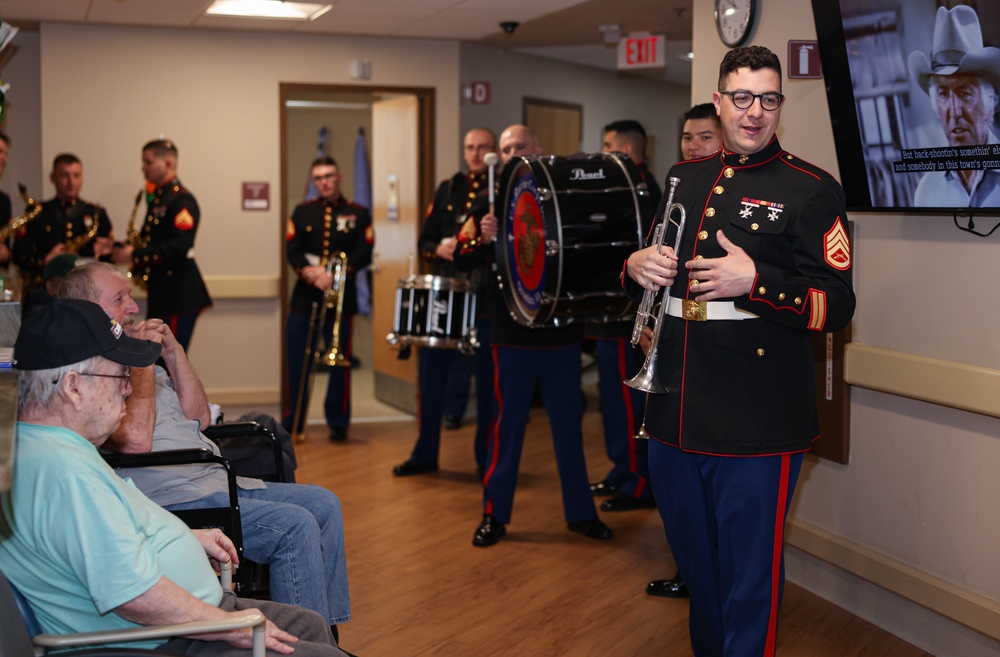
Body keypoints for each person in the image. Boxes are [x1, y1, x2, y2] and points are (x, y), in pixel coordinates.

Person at [624, 46, 855, 655]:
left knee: (749, 583)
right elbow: (659, 262)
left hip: (758, 418)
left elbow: (837, 305)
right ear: (720, 102)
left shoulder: (811, 189)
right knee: (701, 574)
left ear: (781, 104)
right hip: (674, 408)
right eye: (743, 98)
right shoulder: (684, 176)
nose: (755, 113)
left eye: (770, 99)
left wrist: (756, 285)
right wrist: (635, 264)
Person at [3, 298, 350, 656]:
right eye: (120, 375)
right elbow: (135, 596)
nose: (127, 387)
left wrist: (184, 536)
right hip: (163, 640)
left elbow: (93, 541)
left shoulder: (42, 446)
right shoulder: (64, 471)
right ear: (73, 388)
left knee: (310, 624)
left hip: (180, 624)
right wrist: (230, 628)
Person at [472, 124, 612, 547]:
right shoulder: (488, 200)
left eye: (520, 146)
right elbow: (465, 258)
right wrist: (484, 239)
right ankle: (493, 515)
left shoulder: (564, 196)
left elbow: (589, 249)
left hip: (560, 329)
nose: (513, 152)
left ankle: (581, 514)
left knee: (569, 426)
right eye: (506, 147)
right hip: (511, 329)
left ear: (537, 148)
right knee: (506, 427)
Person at [644, 103, 724, 601]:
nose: (693, 146)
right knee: (677, 488)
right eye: (687, 137)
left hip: (719, 359)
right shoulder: (678, 184)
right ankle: (691, 570)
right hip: (674, 346)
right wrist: (651, 319)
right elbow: (658, 255)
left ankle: (709, 579)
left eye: (704, 137)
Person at [393, 127, 497, 477]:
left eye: (483, 147)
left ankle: (487, 460)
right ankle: (425, 454)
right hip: (443, 301)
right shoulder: (448, 188)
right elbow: (425, 240)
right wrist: (438, 248)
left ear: (494, 151)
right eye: (470, 146)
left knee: (486, 388)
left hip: (482, 302)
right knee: (431, 382)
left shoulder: (501, 187)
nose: (476, 152)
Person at [587, 119, 661, 513]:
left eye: (610, 146)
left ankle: (637, 482)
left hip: (625, 314)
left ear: (629, 151)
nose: (604, 153)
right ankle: (622, 468)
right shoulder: (623, 186)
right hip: (607, 313)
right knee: (611, 403)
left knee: (625, 405)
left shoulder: (642, 192)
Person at [283, 155, 373, 442]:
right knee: (297, 362)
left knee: (339, 364)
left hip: (340, 300)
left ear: (340, 177)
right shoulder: (301, 211)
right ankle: (293, 421)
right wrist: (310, 274)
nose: (324, 182)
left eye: (329, 176)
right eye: (318, 177)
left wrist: (334, 273)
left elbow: (363, 251)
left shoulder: (358, 212)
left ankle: (338, 422)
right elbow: (292, 249)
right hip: (305, 297)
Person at [111, 139, 212, 351]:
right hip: (164, 293)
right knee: (158, 361)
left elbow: (178, 246)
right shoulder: (159, 198)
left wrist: (134, 256)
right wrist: (117, 247)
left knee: (170, 361)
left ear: (168, 163)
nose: (143, 167)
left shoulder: (181, 201)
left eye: (148, 162)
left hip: (178, 294)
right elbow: (152, 241)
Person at [908, 4, 1000, 207]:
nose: (954, 111)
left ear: (990, 104)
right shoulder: (926, 191)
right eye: (943, 94)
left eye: (964, 93)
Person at [12, 153, 114, 289]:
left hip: (87, 290)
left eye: (76, 175)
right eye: (65, 175)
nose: (71, 181)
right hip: (45, 290)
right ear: (52, 177)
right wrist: (45, 259)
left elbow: (109, 258)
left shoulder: (96, 212)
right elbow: (19, 253)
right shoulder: (36, 211)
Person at [0, 132, 11, 265]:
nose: (4, 159)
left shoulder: (3, 201)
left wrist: (5, 253)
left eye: (5, 154)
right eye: (0, 152)